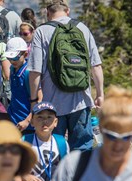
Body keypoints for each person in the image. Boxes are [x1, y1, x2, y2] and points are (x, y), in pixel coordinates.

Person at [28, 0, 104, 152]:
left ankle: (59, 176)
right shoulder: (82, 28)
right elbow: (96, 65)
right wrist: (100, 94)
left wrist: (34, 99)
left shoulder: (42, 32)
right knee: (82, 150)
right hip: (81, 101)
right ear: (67, 10)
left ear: (47, 12)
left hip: (53, 106)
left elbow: (35, 71)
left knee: (54, 149)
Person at [21, 102, 67, 181]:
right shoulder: (24, 142)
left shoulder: (62, 143)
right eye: (40, 117)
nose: (45, 121)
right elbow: (12, 169)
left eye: (49, 117)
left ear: (56, 122)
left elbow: (66, 171)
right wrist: (24, 175)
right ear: (32, 122)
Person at [5, 37, 38, 133]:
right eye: (9, 58)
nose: (12, 61)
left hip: (28, 126)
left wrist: (27, 120)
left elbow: (39, 99)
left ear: (25, 54)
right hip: (14, 123)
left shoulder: (29, 73)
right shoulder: (12, 69)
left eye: (15, 57)